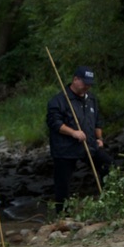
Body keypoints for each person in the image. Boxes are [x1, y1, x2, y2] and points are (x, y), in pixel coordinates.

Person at [46, 66, 113, 214]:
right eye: (84, 83)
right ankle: (62, 214)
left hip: (89, 145)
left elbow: (97, 121)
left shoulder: (92, 99)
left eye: (89, 84)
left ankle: (109, 200)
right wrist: (73, 132)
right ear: (75, 79)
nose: (87, 86)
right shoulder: (59, 100)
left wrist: (99, 138)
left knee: (109, 165)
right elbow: (54, 123)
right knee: (62, 183)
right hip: (65, 148)